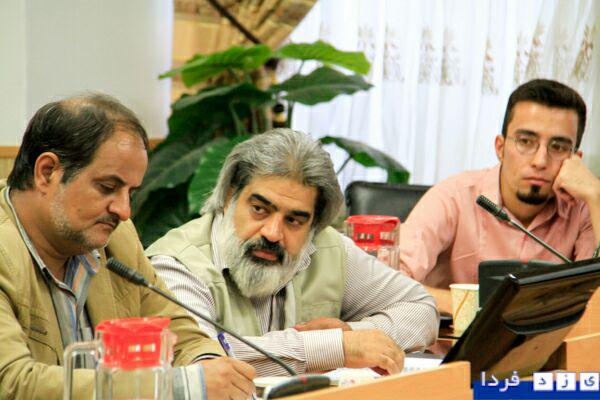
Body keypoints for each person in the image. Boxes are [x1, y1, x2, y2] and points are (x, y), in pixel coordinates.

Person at [0, 94, 255, 399]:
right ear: (47, 172)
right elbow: (13, 383)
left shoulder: (116, 238)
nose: (124, 211)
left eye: (130, 193)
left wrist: (210, 370)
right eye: (108, 187)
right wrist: (181, 386)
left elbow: (181, 336)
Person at [146, 128, 439, 376]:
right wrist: (331, 348)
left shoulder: (327, 247)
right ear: (228, 197)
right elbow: (198, 361)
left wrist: (353, 334)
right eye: (259, 209)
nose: (273, 233)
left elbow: (420, 309)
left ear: (314, 224)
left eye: (294, 220)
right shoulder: (176, 265)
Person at [398, 79, 600, 314]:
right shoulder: (454, 197)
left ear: (575, 160)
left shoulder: (586, 210)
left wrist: (596, 196)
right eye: (526, 142)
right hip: (453, 337)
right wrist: (479, 308)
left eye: (558, 147)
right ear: (500, 148)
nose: (540, 161)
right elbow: (392, 282)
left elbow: (595, 309)